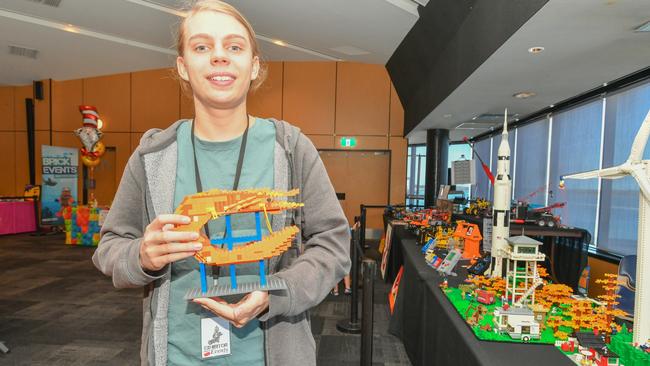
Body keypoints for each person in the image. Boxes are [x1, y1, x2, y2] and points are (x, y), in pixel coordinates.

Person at [91, 1, 351, 365]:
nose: (219, 57)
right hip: (176, 355)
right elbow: (110, 247)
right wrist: (142, 257)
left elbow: (334, 244)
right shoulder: (153, 155)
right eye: (201, 47)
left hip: (273, 352)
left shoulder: (291, 148)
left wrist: (277, 292)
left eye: (234, 46)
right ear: (183, 66)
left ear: (254, 64)